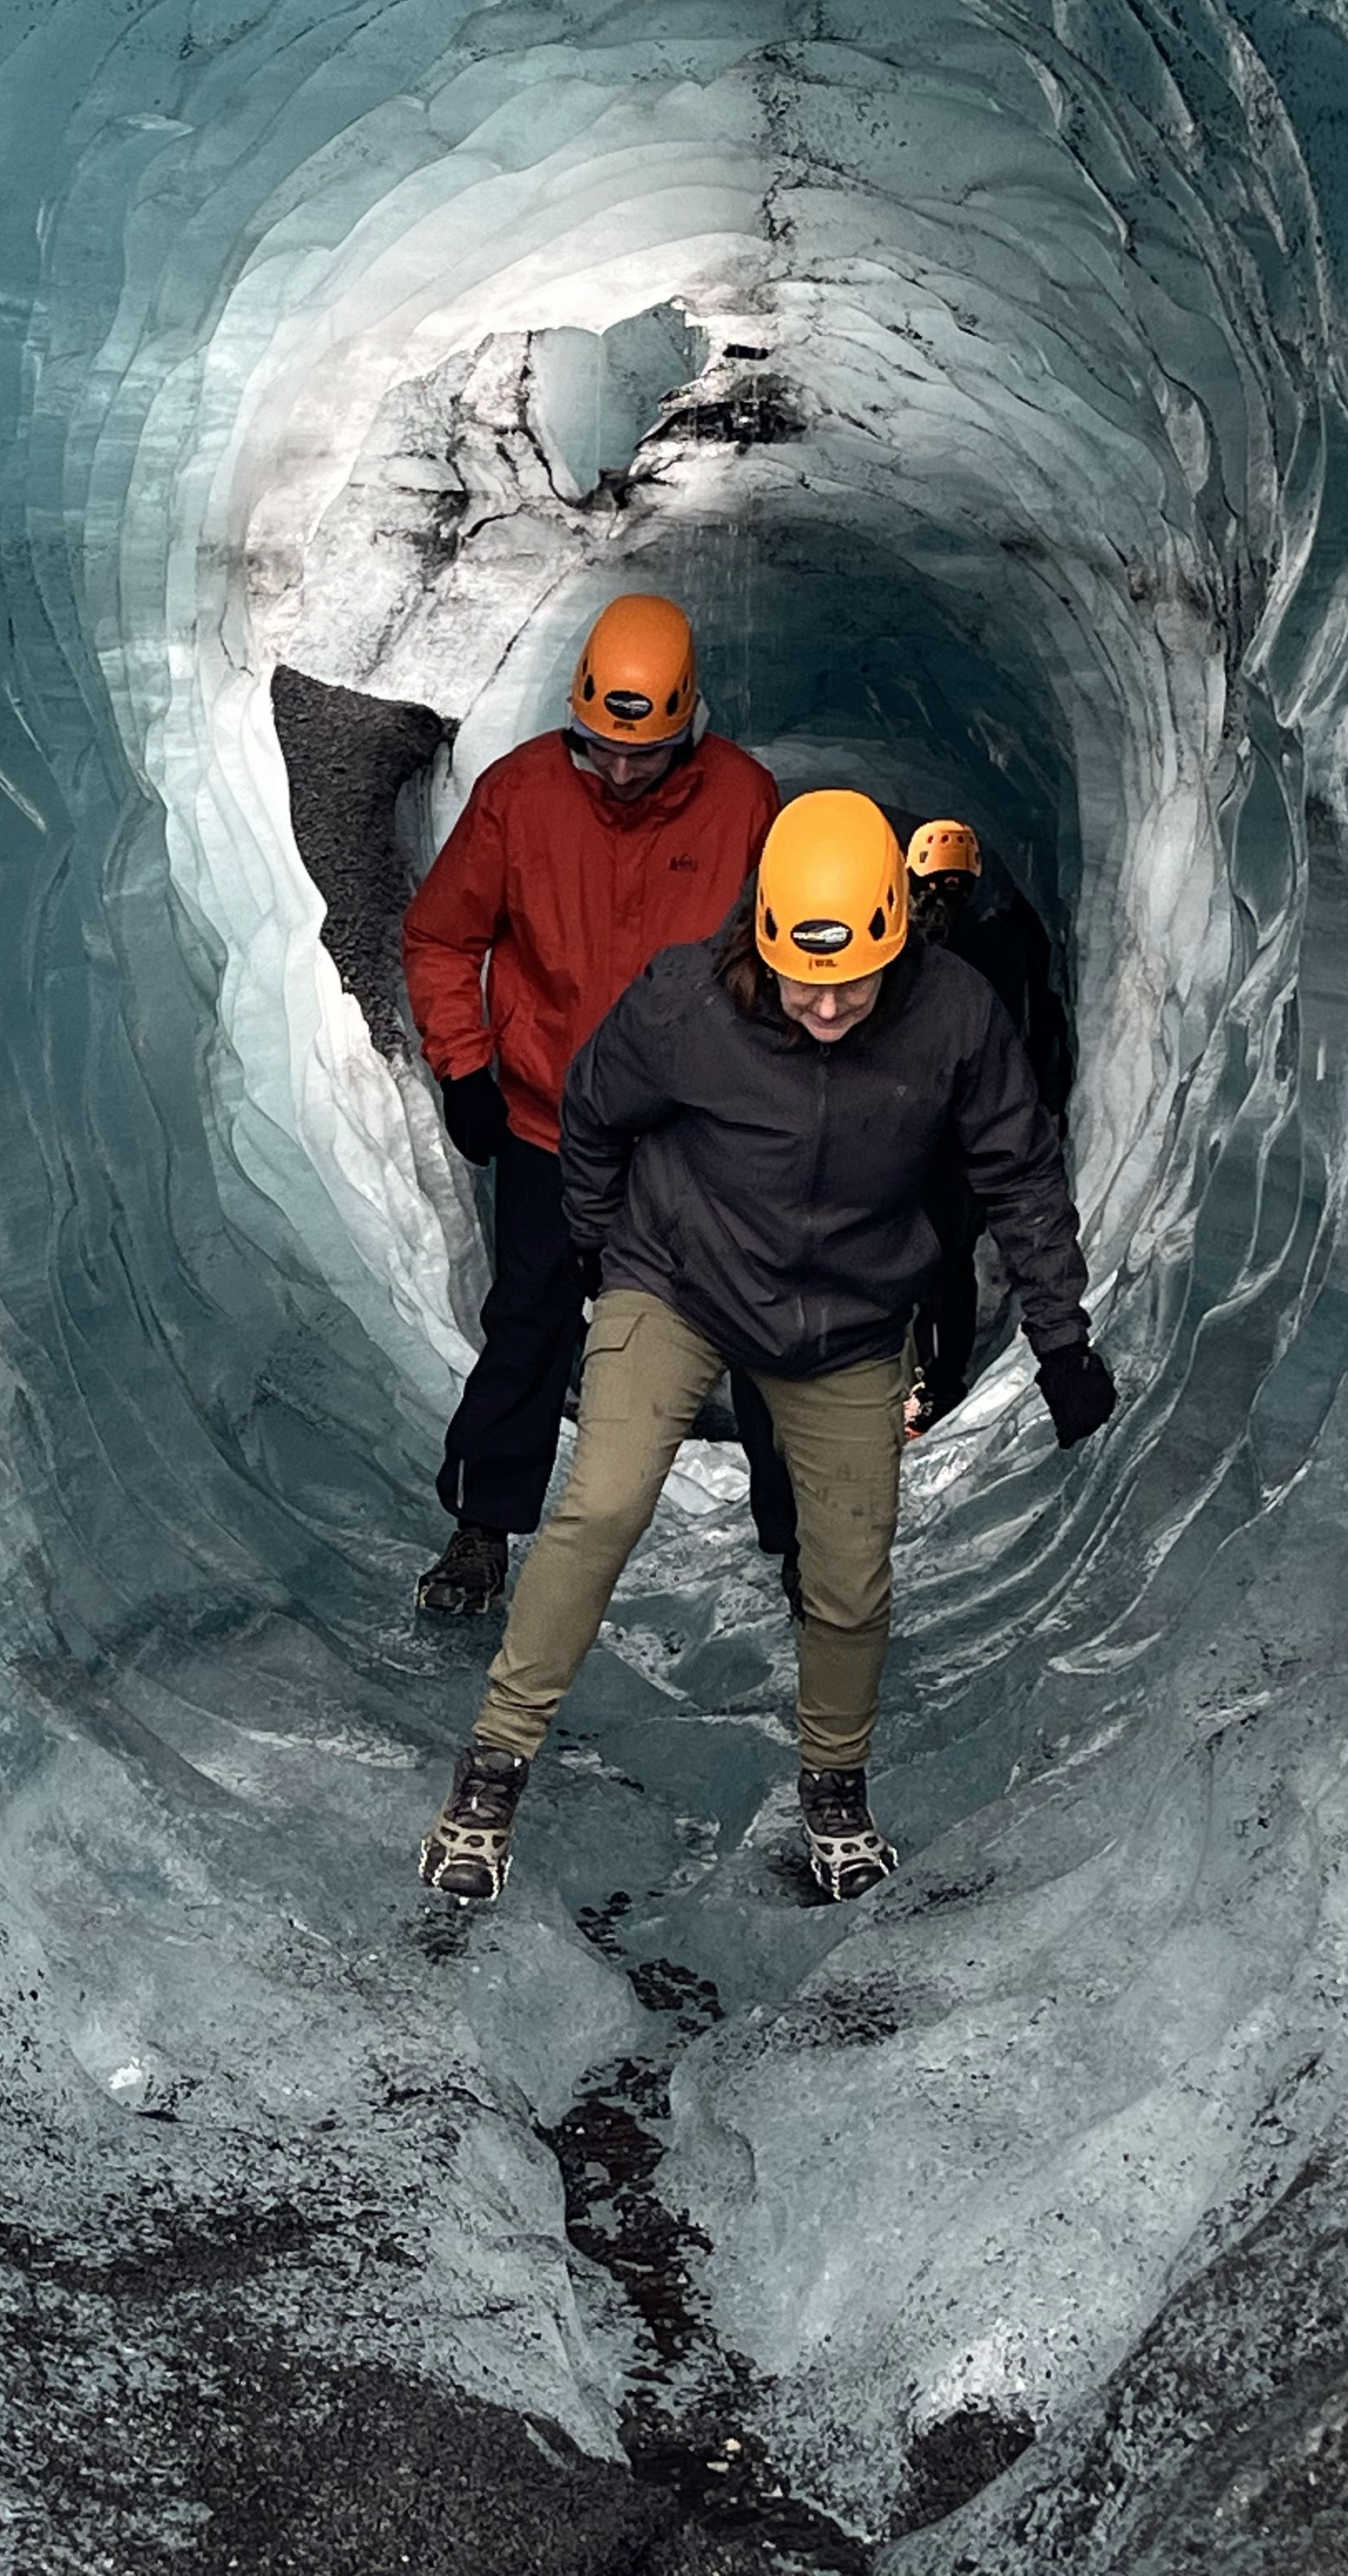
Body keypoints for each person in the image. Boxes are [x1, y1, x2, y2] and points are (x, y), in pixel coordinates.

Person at [411, 789, 1118, 1907]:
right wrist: (600, 1249)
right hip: (677, 1282)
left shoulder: (956, 1018)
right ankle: (494, 1767)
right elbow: (592, 1106)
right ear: (761, 936)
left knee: (847, 1574)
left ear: (897, 936)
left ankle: (833, 1787)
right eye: (802, 979)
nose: (827, 1008)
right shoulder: (687, 1002)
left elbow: (1018, 1170)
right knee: (601, 1504)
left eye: (851, 983)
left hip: (846, 1318)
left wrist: (1060, 1337)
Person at [398, 594, 788, 1615]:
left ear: (689, 726)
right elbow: (443, 937)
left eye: (646, 752)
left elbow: (779, 961)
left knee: (760, 1327)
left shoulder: (745, 801)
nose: (619, 771)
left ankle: (798, 1541)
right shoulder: (518, 795)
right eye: (601, 747)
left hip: (692, 1136)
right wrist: (465, 1064)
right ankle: (482, 1531)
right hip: (548, 1124)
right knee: (527, 1322)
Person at [898, 816, 1077, 1434]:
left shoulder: (930, 951)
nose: (941, 899)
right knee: (941, 1259)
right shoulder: (993, 943)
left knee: (931, 1259)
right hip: (959, 1131)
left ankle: (929, 1382)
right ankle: (934, 1379)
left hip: (941, 1133)